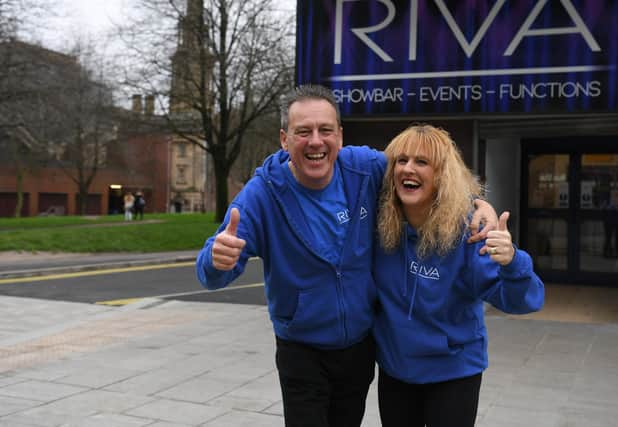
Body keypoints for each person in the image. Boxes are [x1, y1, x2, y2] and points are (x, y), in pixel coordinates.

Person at [195, 85, 498, 427]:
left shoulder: (364, 168)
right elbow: (212, 271)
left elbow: (428, 176)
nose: (315, 141)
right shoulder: (261, 195)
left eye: (325, 130)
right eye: (303, 132)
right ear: (284, 139)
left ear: (340, 136)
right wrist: (216, 261)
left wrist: (478, 205)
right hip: (302, 349)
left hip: (359, 347)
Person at [373, 125, 545, 427]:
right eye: (401, 160)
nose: (408, 169)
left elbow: (524, 301)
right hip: (396, 370)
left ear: (442, 175)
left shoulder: (470, 231)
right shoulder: (378, 223)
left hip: (453, 373)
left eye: (422, 162)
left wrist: (512, 262)